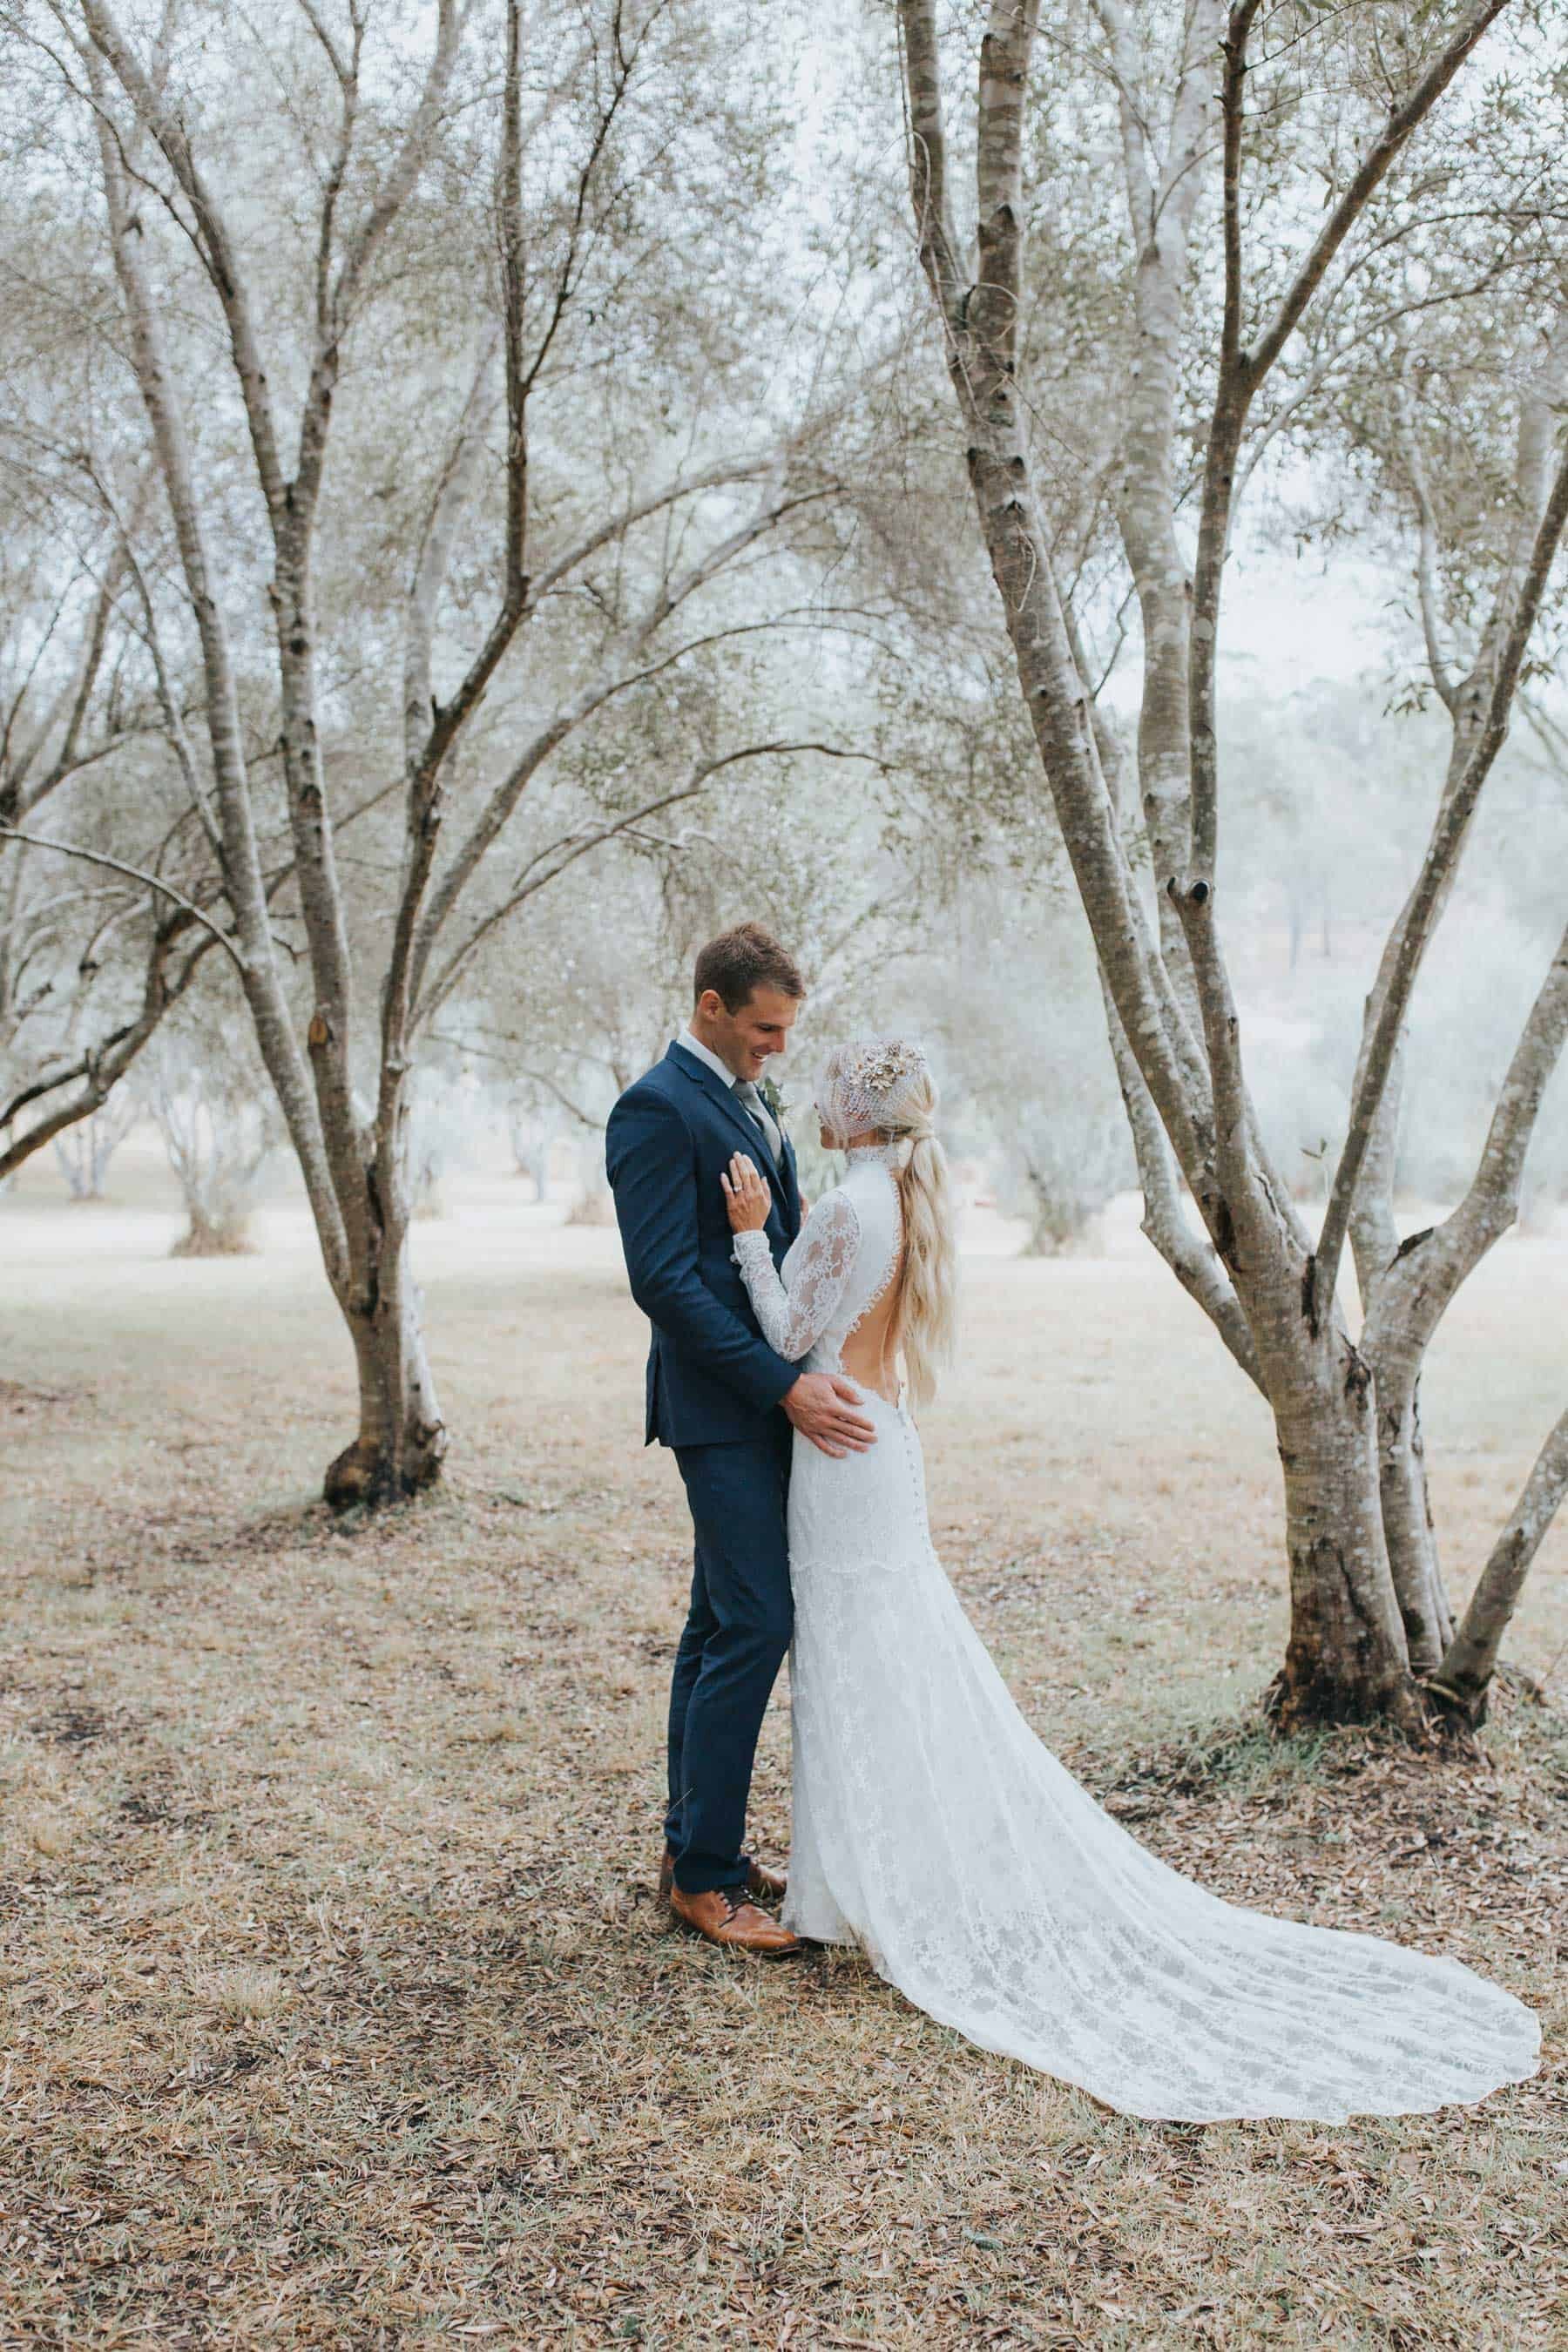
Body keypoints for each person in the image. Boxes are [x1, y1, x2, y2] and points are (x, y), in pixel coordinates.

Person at [717, 1031, 1541, 2123]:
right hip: (885, 1442)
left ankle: (845, 1888)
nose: (815, 1096)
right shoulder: (906, 1199)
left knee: (847, 1663)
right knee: (884, 1656)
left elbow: (784, 1330)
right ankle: (845, 1879)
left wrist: (743, 1238)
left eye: (830, 1088)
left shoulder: (843, 1208)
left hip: (841, 1450)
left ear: (858, 1115)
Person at [605, 923, 875, 1955]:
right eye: (764, 1029)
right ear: (711, 1005)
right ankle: (709, 1876)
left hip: (769, 1404)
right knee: (756, 1624)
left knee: (717, 1624)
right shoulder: (655, 1107)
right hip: (719, 1412)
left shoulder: (750, 1102)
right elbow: (664, 1281)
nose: (777, 1049)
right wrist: (780, 1390)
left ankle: (692, 1847)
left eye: (787, 1032)